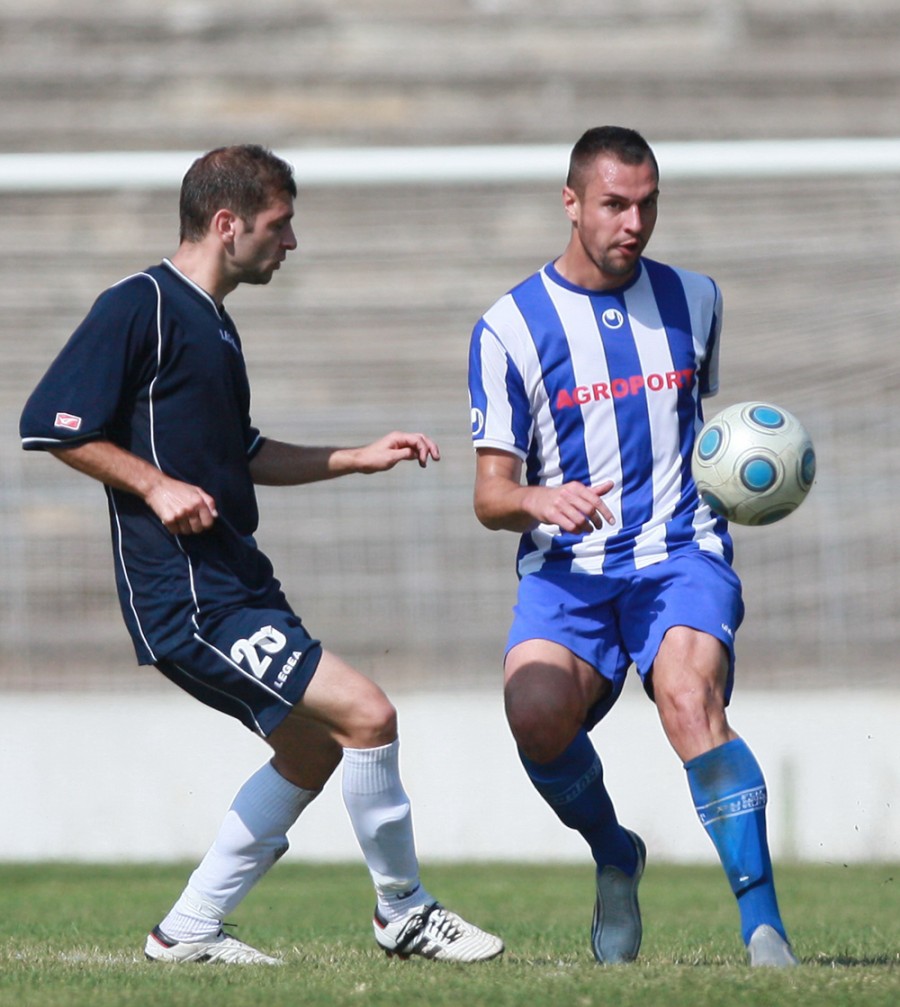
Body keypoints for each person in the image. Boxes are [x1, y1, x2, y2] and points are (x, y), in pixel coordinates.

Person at [20, 144, 503, 966]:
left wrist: (356, 455)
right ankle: (404, 911)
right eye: (280, 225)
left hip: (237, 578)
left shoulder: (212, 322)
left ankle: (187, 930)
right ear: (226, 223)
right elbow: (52, 423)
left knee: (313, 746)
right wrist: (154, 485)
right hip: (189, 592)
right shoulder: (139, 304)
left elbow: (239, 452)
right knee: (369, 714)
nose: (290, 242)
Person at [467, 126, 797, 968]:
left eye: (648, 204)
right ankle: (616, 851)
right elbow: (490, 496)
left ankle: (764, 929)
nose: (634, 222)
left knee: (688, 698)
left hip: (680, 552)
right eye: (615, 204)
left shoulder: (698, 299)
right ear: (571, 202)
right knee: (535, 716)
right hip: (566, 571)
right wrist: (539, 497)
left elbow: (701, 435)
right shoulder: (509, 328)